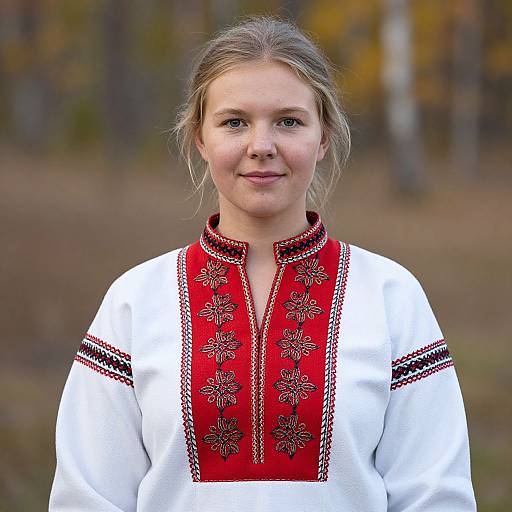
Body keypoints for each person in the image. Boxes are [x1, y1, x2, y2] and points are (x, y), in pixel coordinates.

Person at [49, 16, 477, 512]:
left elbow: (436, 497)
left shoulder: (390, 296)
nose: (261, 146)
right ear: (200, 139)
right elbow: (86, 497)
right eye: (235, 122)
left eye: (289, 121)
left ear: (323, 138)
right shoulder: (135, 301)